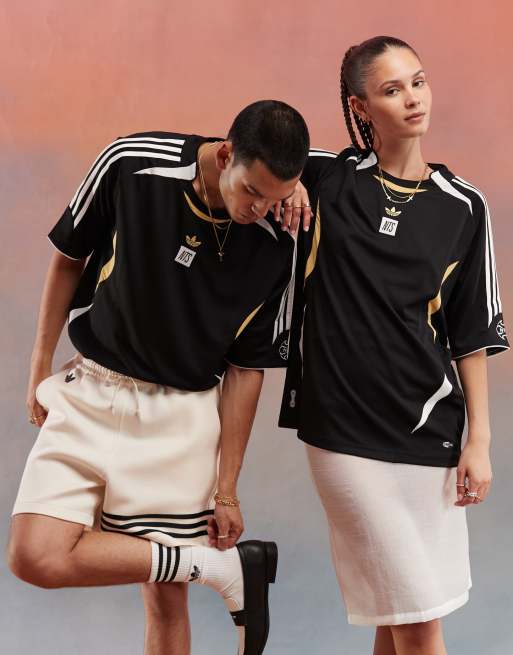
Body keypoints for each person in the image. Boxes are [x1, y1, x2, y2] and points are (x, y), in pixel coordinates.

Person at [8, 99, 311, 655]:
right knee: (34, 555)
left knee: (165, 600)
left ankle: (206, 567)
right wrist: (38, 365)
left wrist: (227, 489)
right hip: (89, 391)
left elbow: (246, 371)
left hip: (181, 418)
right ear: (226, 154)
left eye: (276, 197)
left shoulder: (278, 242)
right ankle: (218, 568)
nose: (260, 208)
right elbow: (69, 257)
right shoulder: (132, 163)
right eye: (252, 191)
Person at [278, 37, 510, 655]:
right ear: (360, 108)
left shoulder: (464, 207)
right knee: (419, 621)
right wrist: (287, 181)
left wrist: (479, 440)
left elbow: (471, 332)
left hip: (428, 432)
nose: (413, 98)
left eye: (418, 81)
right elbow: (245, 149)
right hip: (343, 433)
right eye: (392, 89)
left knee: (401, 614)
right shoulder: (325, 178)